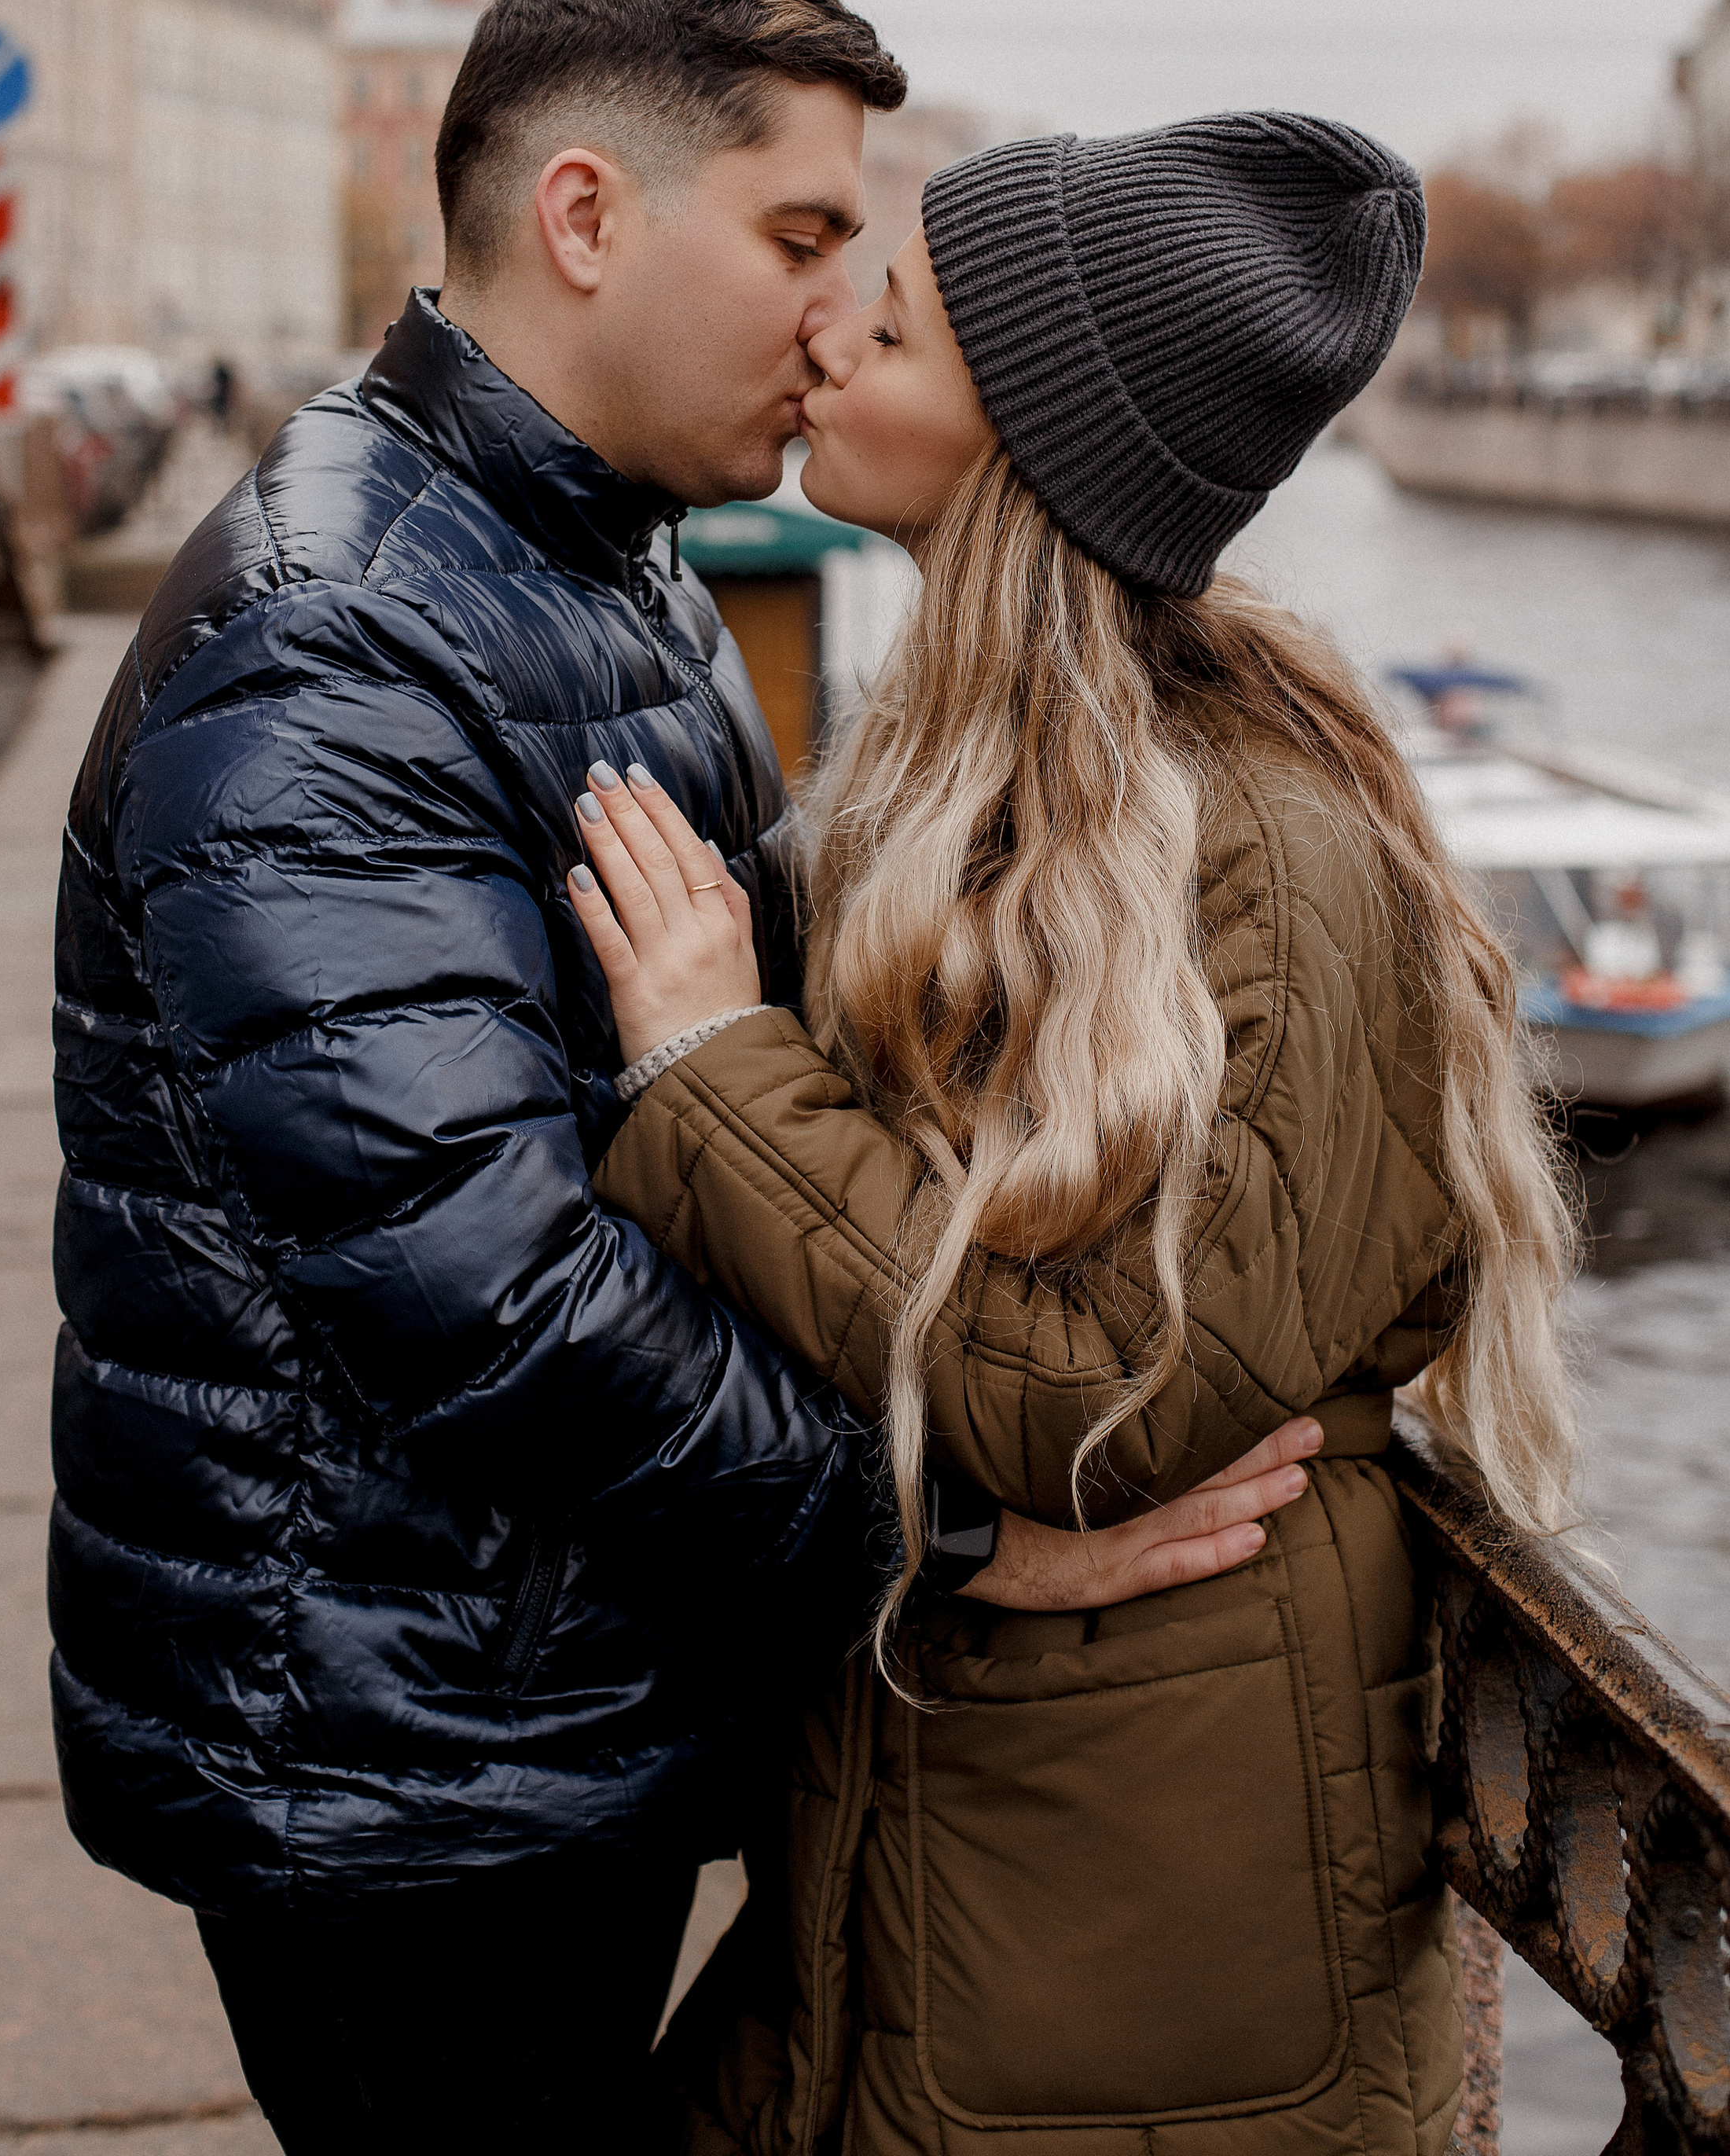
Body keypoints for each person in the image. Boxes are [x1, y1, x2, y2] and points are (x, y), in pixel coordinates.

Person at [48, 0, 1316, 2154]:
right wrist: (954, 1542)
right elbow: (491, 1287)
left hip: (514, 1688)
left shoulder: (583, 558)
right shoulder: (339, 636)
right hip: (405, 1761)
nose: (840, 317)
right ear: (585, 218)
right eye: (804, 240)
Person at [567, 115, 1580, 2156]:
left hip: (1158, 1896)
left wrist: (709, 1073)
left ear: (1032, 439)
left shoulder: (1266, 854)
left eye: (907, 325)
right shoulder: (1003, 791)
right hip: (1005, 1802)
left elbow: (1104, 1402)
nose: (836, 339)